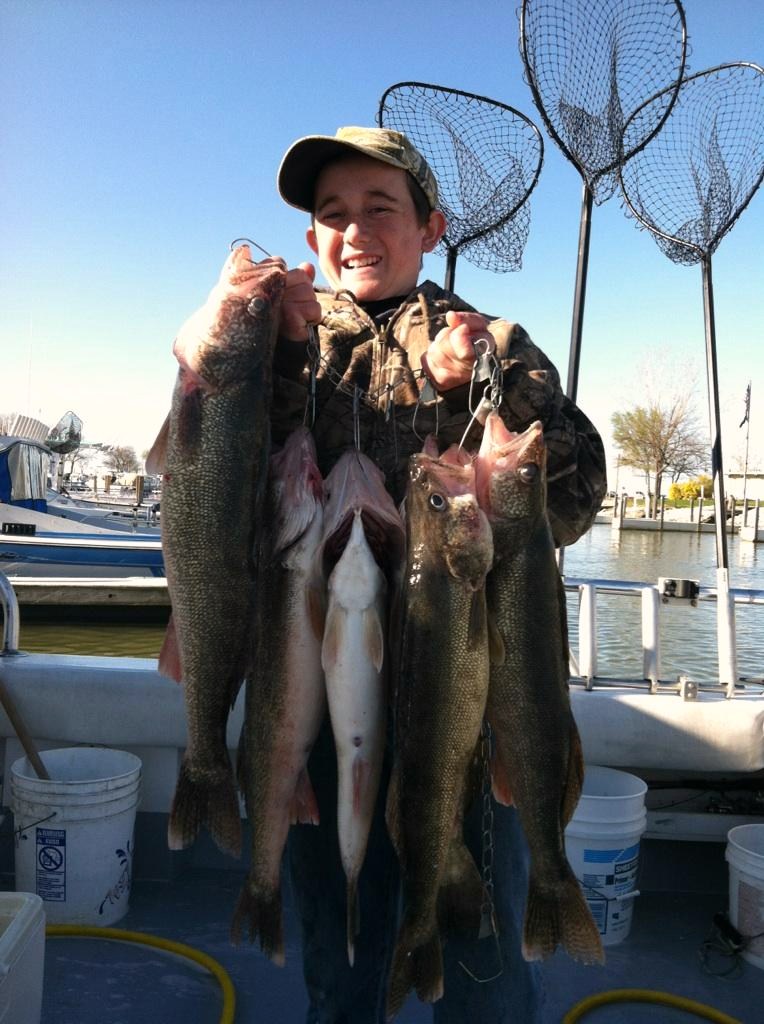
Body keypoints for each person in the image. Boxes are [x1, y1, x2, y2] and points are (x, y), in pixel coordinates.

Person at [263, 126, 607, 1024]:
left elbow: (575, 497)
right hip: (314, 699)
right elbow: (210, 504)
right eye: (333, 214)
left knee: (485, 972)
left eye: (382, 208)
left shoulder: (489, 342)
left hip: (461, 692)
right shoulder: (278, 346)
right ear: (312, 239)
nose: (356, 230)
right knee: (341, 968)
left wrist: (484, 384)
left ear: (430, 227)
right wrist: (242, 353)